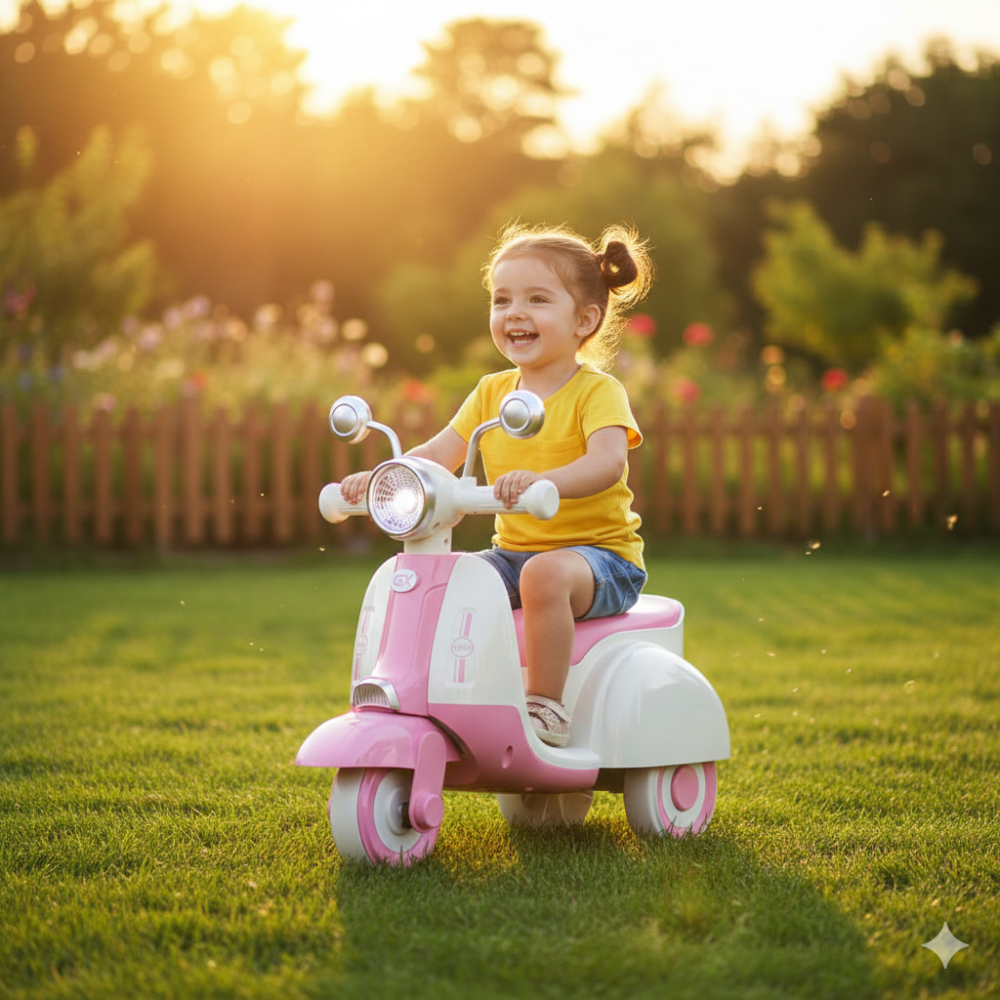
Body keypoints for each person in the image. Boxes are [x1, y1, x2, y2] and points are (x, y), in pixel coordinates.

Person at [340, 223, 652, 746]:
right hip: (514, 553)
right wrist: (382, 476)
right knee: (441, 579)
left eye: (537, 299)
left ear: (585, 320)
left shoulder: (597, 392)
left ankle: (546, 705)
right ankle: (429, 694)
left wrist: (543, 481)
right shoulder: (491, 392)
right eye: (501, 299)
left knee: (545, 576)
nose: (515, 313)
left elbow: (607, 463)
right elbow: (441, 453)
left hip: (600, 558)